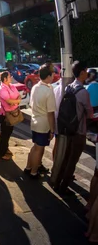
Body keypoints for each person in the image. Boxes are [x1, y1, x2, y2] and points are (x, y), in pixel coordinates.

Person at [52, 61, 94, 194]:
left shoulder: (68, 87)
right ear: (82, 73)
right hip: (78, 131)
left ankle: (57, 183)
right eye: (86, 70)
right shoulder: (83, 92)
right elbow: (90, 113)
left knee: (65, 157)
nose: (87, 73)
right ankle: (64, 187)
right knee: (72, 161)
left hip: (66, 128)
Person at [24, 65, 56, 178]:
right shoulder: (48, 90)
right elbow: (50, 113)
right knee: (39, 148)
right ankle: (33, 172)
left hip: (35, 121)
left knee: (35, 147)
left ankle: (29, 167)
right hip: (44, 124)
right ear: (48, 76)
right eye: (52, 74)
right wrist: (52, 129)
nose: (53, 76)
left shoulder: (35, 87)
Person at [0, 72, 21, 161]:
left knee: (9, 132)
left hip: (13, 112)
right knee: (4, 134)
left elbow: (18, 96)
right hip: (5, 115)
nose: (11, 77)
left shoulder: (12, 86)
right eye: (9, 76)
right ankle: (1, 153)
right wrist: (16, 101)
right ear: (5, 79)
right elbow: (8, 101)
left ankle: (5, 148)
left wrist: (15, 101)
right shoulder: (2, 89)